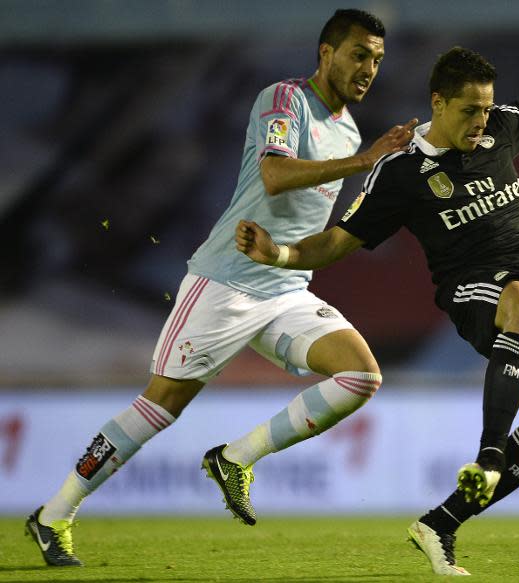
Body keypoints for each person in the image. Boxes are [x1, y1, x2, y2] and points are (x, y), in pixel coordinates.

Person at [234, 44, 519, 575]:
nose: (480, 121)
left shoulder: (501, 128)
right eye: (469, 110)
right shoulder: (401, 174)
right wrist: (278, 253)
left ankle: (440, 523)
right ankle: (487, 456)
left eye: (486, 108)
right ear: (438, 103)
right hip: (472, 291)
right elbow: (338, 242)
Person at [25, 8, 418, 567]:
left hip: (285, 288)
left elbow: (314, 222)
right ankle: (53, 514)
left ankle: (235, 458)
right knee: (160, 406)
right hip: (226, 280)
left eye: (377, 59)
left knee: (361, 374)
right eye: (359, 54)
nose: (369, 68)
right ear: (326, 52)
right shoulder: (284, 99)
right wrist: (363, 160)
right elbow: (275, 175)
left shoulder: (350, 128)